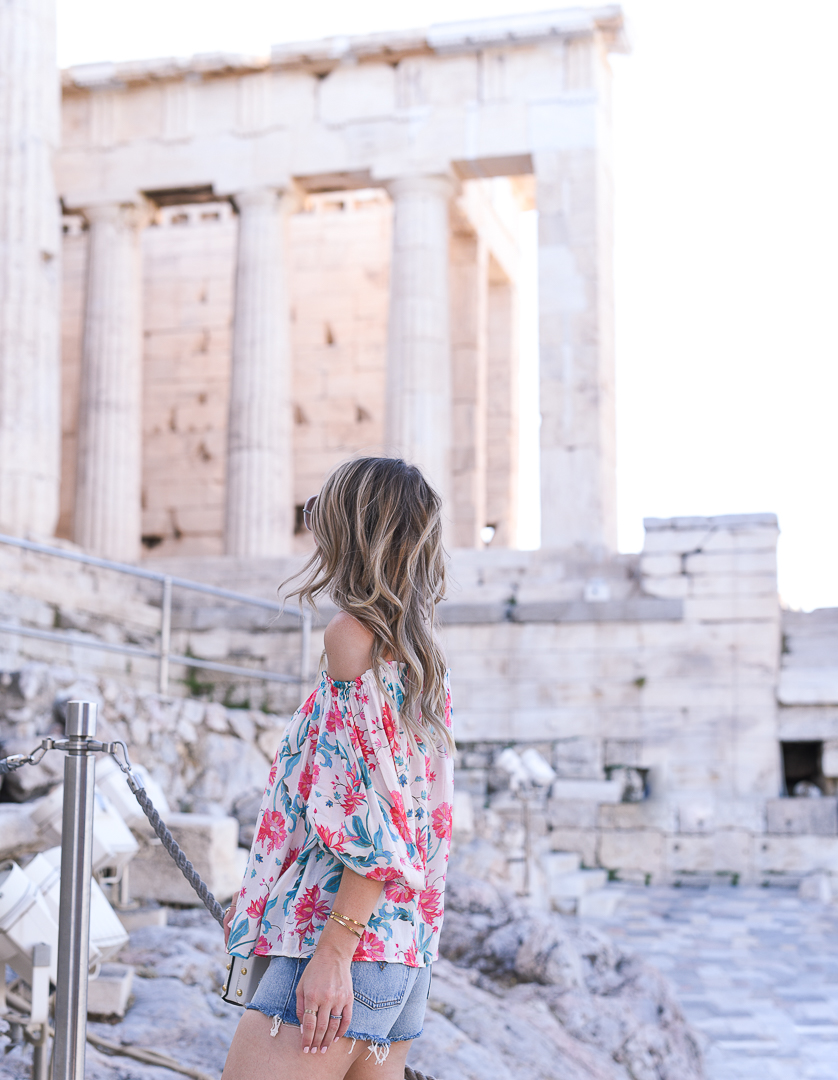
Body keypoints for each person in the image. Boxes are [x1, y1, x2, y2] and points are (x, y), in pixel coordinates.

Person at [221, 457, 455, 1080]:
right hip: (403, 953)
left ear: (353, 530)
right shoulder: (421, 654)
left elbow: (368, 815)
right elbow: (418, 821)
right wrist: (266, 901)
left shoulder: (351, 636)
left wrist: (333, 950)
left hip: (341, 944)